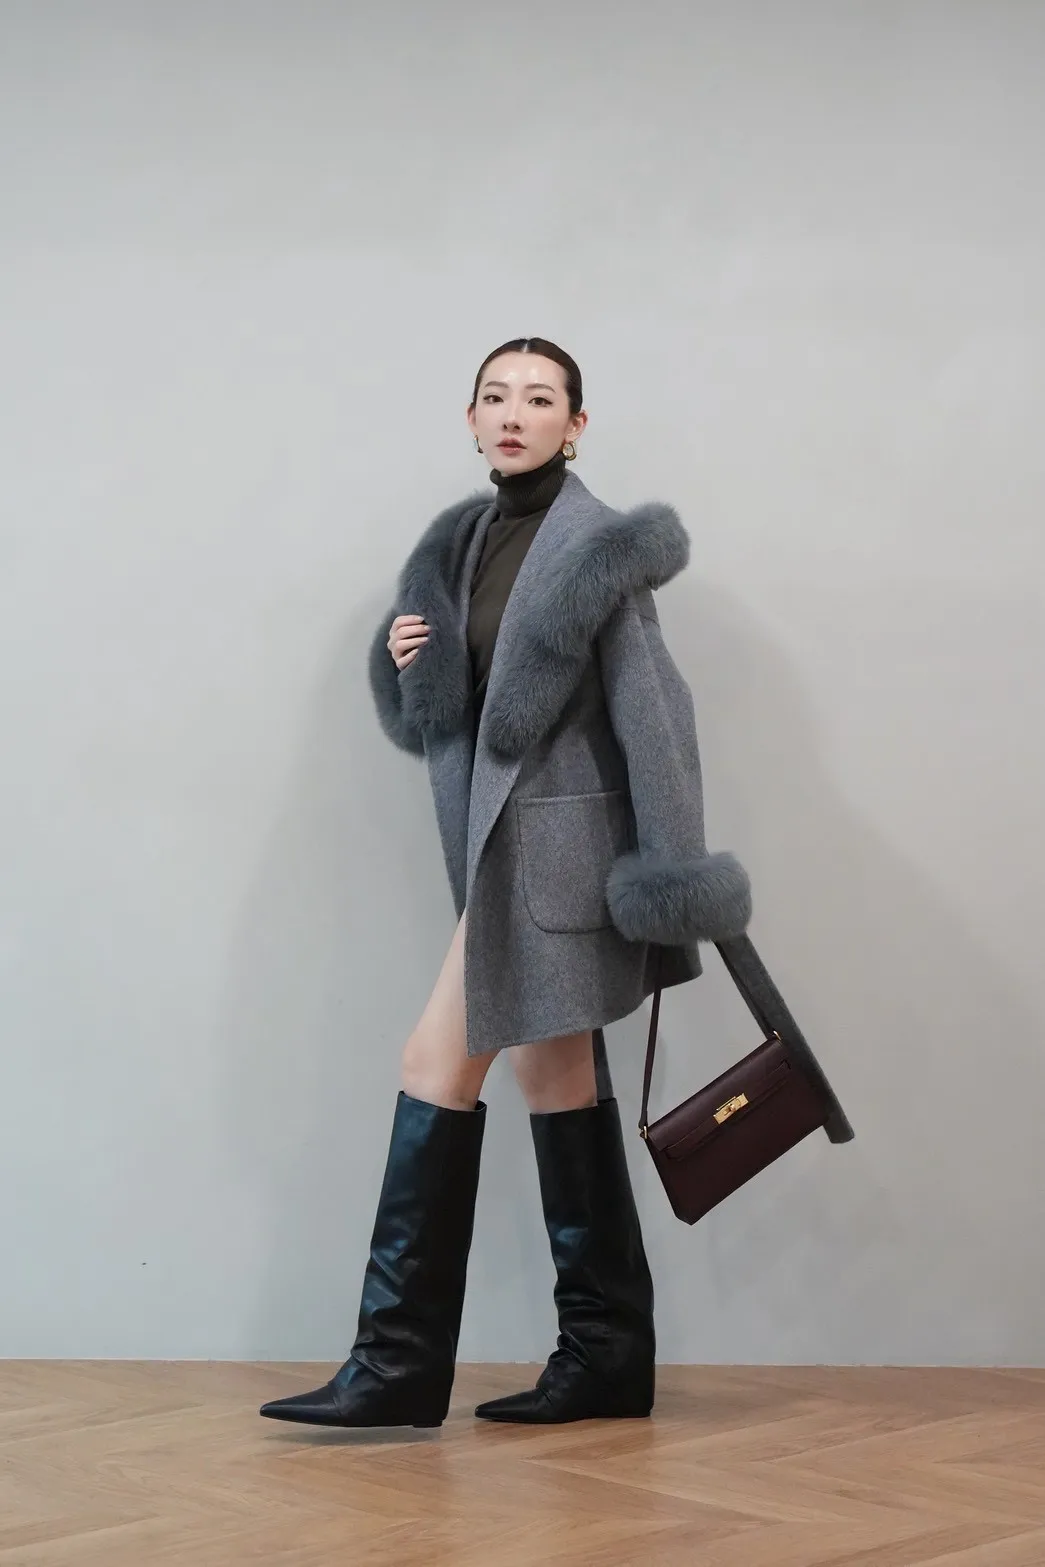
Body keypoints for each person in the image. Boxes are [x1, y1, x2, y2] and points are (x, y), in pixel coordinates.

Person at [259, 337, 752, 1430]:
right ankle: (607, 1353)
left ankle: (395, 1364)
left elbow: (657, 719)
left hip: (559, 866)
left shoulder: (596, 550)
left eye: (539, 397)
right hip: (502, 855)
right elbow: (449, 723)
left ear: (576, 424)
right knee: (556, 1079)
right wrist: (409, 664)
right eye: (495, 396)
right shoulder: (465, 542)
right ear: (471, 418)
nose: (514, 413)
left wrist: (669, 873)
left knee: (433, 1061)